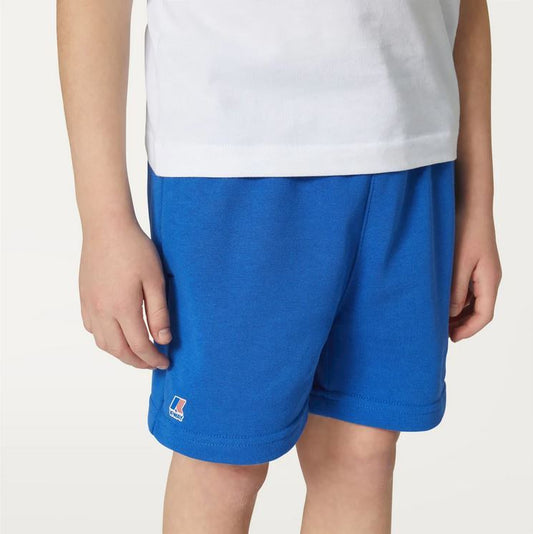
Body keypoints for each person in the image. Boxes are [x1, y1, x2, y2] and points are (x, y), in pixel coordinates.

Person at [57, 0, 502, 532]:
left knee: (362, 454)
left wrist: (475, 200)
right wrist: (104, 220)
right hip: (233, 158)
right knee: (224, 463)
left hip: (412, 150)